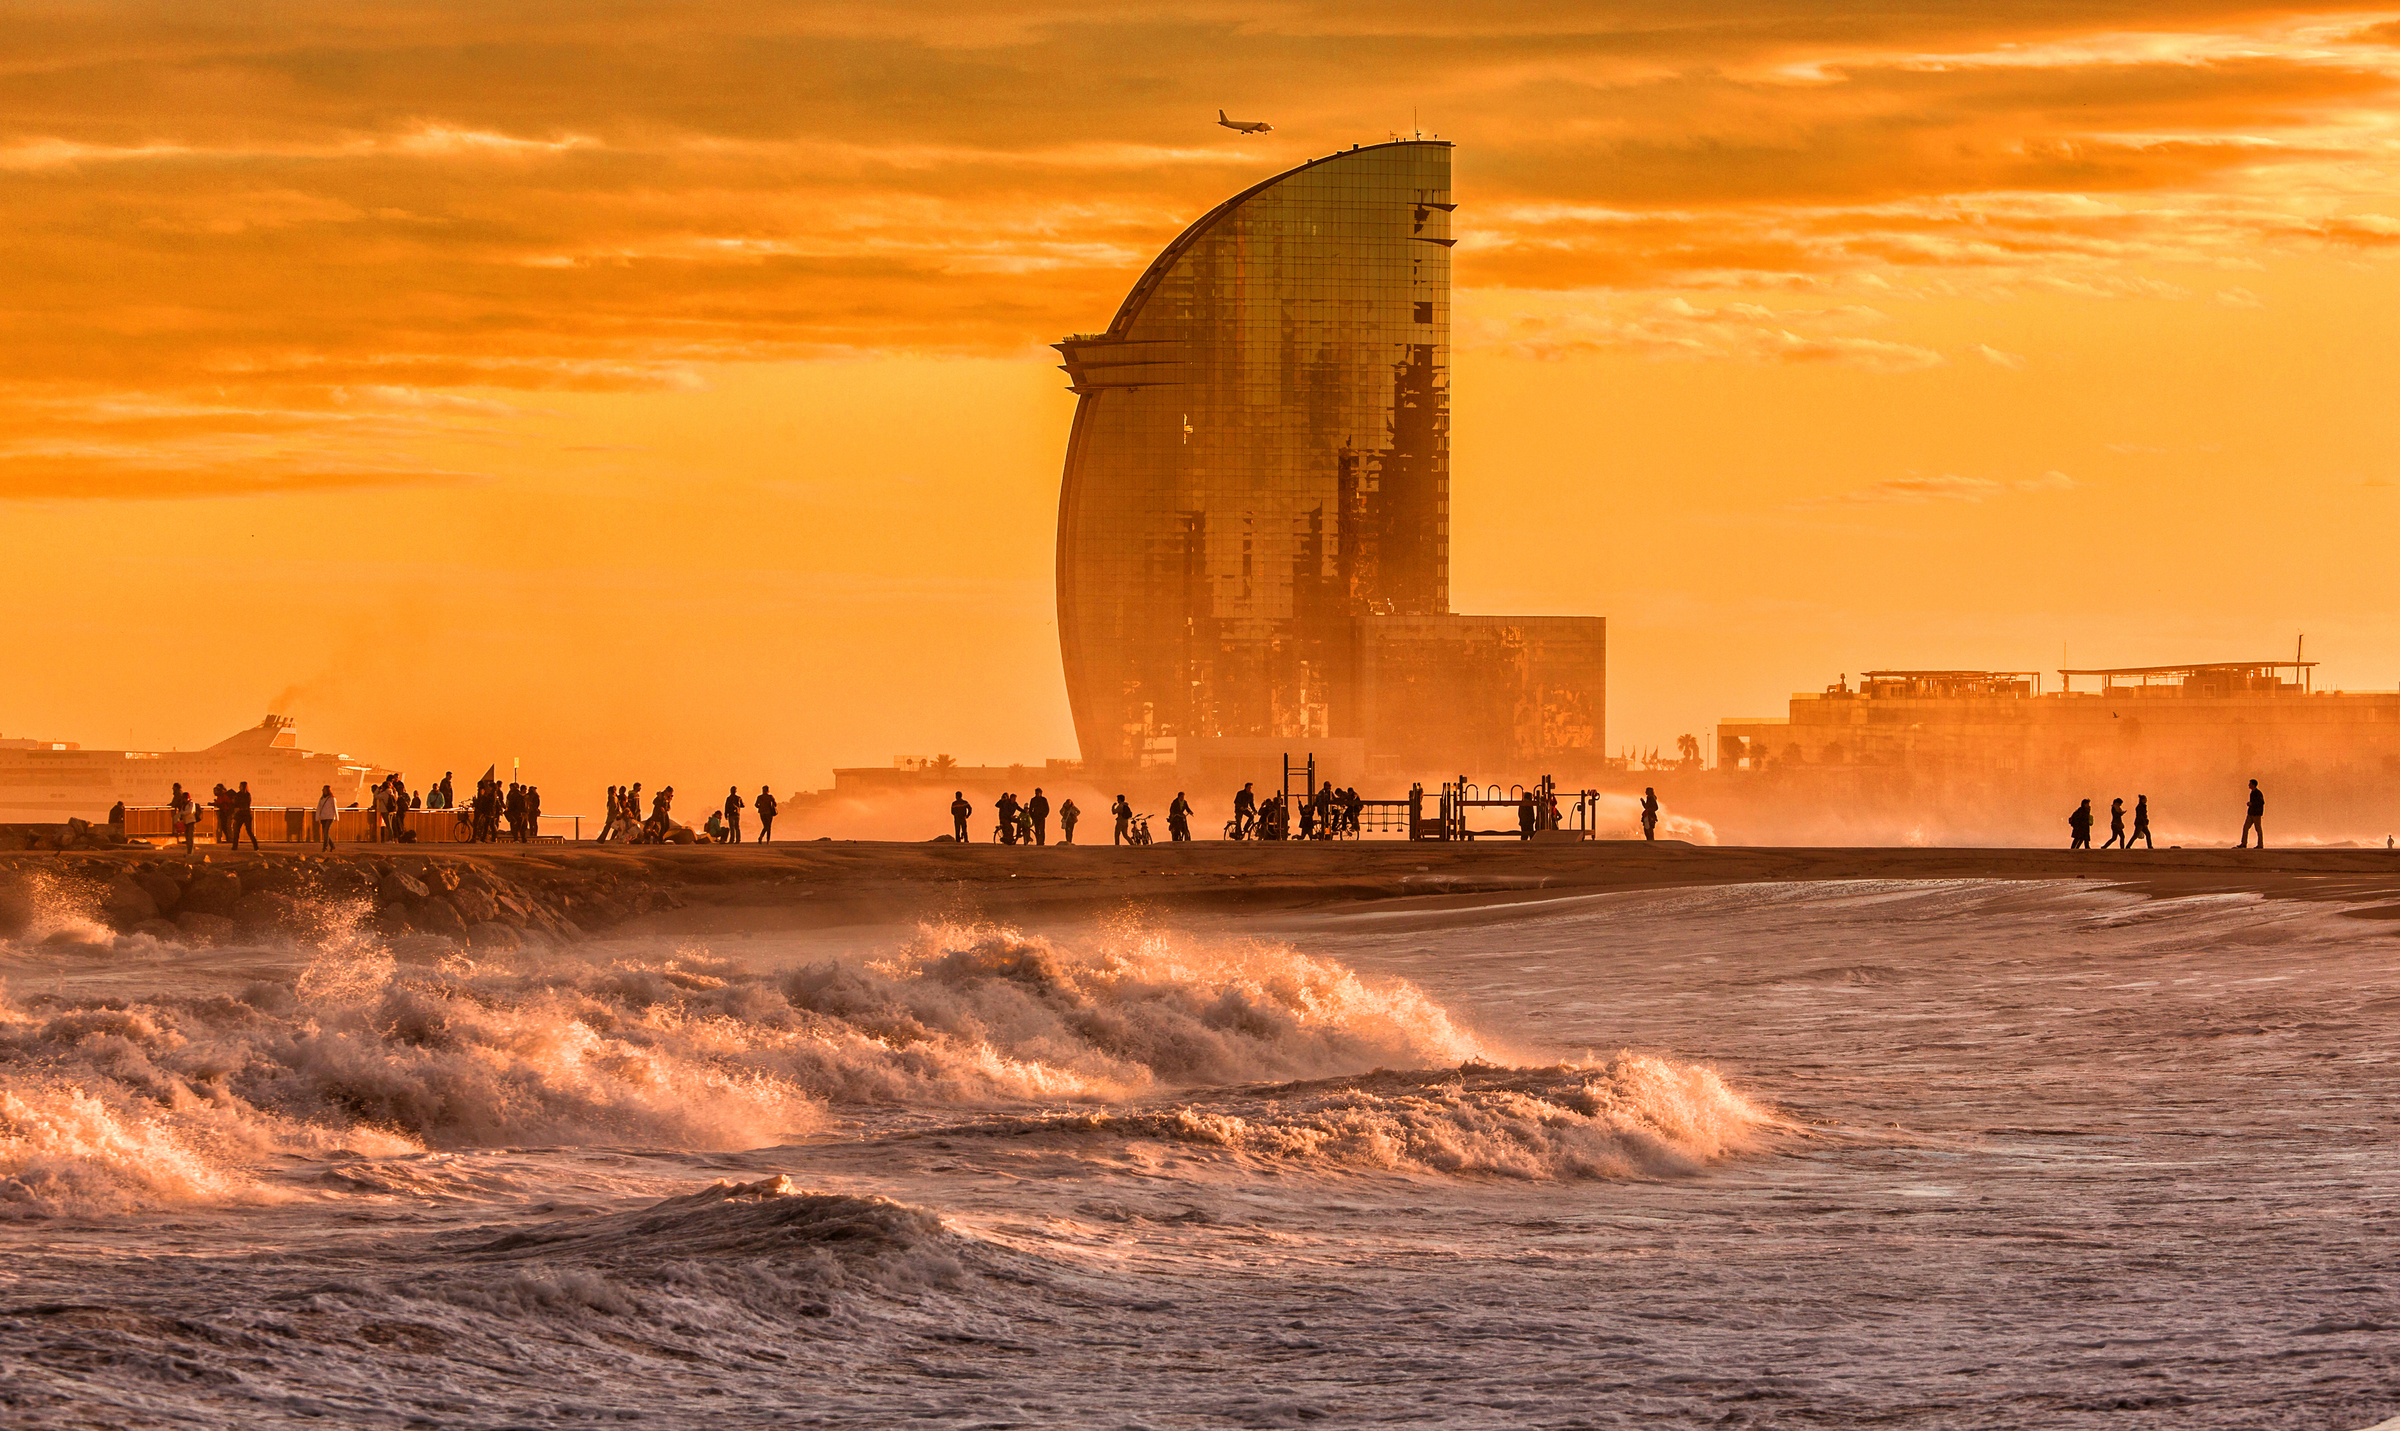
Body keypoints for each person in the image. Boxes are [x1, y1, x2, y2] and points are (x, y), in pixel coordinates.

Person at [2238, 779, 2265, 849]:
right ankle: (2243, 843)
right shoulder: (2252, 793)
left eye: (2250, 784)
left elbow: (2261, 802)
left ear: (2253, 785)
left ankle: (2260, 845)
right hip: (2251, 814)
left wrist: (2252, 804)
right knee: (2245, 827)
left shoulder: (2258, 793)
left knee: (2258, 829)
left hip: (2256, 814)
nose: (2248, 785)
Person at [170, 782, 195, 852]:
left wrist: (182, 814)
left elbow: (190, 811)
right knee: (187, 837)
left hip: (191, 822)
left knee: (190, 837)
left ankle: (191, 852)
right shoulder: (184, 805)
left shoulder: (191, 804)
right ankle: (189, 851)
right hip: (186, 822)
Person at [316, 784, 339, 850]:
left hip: (330, 817)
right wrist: (317, 817)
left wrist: (337, 817)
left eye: (324, 789)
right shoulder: (322, 799)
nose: (323, 790)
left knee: (326, 831)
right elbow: (319, 808)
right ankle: (332, 845)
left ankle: (325, 847)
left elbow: (335, 808)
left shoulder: (332, 798)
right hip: (323, 817)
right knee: (325, 832)